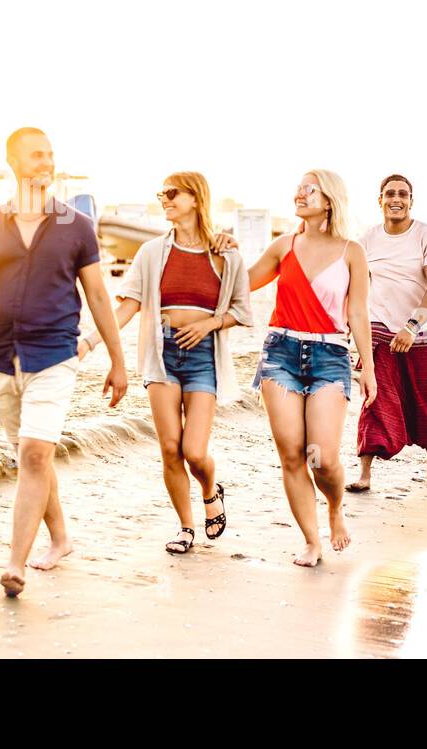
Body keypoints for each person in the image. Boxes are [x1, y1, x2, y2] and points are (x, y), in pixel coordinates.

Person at [0, 127, 128, 597]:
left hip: (54, 356)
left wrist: (118, 362)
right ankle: (61, 538)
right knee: (31, 457)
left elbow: (100, 299)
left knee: (34, 453)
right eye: (35, 155)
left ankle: (15, 564)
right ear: (13, 161)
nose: (46, 162)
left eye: (50, 154)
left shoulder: (76, 226)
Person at [79, 172, 251, 554]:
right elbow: (127, 306)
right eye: (161, 194)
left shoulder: (225, 254)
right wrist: (90, 342)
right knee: (170, 447)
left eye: (172, 193)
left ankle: (210, 490)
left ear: (195, 198)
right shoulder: (152, 251)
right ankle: (186, 527)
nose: (165, 200)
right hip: (162, 354)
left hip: (204, 356)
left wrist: (209, 323)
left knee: (194, 451)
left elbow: (241, 310)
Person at [248, 170, 376, 567]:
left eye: (310, 188)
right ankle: (311, 539)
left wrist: (368, 367)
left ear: (330, 199)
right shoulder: (283, 245)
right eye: (299, 187)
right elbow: (239, 283)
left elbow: (357, 311)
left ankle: (335, 508)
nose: (300, 193)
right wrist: (221, 250)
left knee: (322, 455)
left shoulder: (351, 250)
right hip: (280, 353)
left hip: (330, 356)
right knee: (291, 455)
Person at [345, 174, 427, 493]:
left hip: (417, 332)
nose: (396, 198)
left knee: (426, 400)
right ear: (380, 200)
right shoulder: (366, 241)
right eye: (390, 193)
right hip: (377, 328)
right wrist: (349, 335)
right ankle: (365, 472)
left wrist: (411, 326)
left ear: (411, 200)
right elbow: (353, 289)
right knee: (374, 397)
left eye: (403, 194)